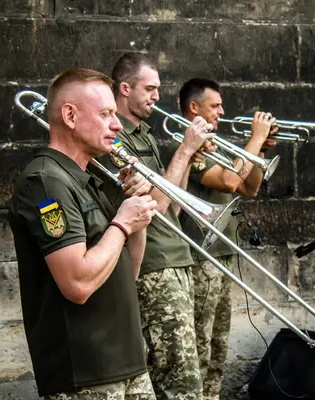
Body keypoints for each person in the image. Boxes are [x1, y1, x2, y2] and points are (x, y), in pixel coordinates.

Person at [8, 68, 159, 399]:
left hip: (127, 361)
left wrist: (136, 217)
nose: (117, 125)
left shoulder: (86, 179)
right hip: (87, 373)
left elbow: (126, 272)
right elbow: (77, 284)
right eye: (106, 114)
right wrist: (121, 223)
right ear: (70, 116)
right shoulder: (46, 181)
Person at [94, 53, 214, 400]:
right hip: (153, 266)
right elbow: (155, 208)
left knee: (189, 370)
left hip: (176, 258)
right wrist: (183, 150)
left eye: (158, 89)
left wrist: (191, 156)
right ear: (125, 88)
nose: (157, 97)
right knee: (179, 380)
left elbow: (174, 204)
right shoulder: (114, 140)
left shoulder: (144, 134)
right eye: (150, 88)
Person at [173, 78, 277, 399]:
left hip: (223, 255)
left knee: (218, 349)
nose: (222, 111)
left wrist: (258, 150)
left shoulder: (215, 144)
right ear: (194, 108)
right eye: (215, 105)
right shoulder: (184, 144)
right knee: (200, 348)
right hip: (200, 260)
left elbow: (249, 187)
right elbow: (231, 181)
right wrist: (255, 138)